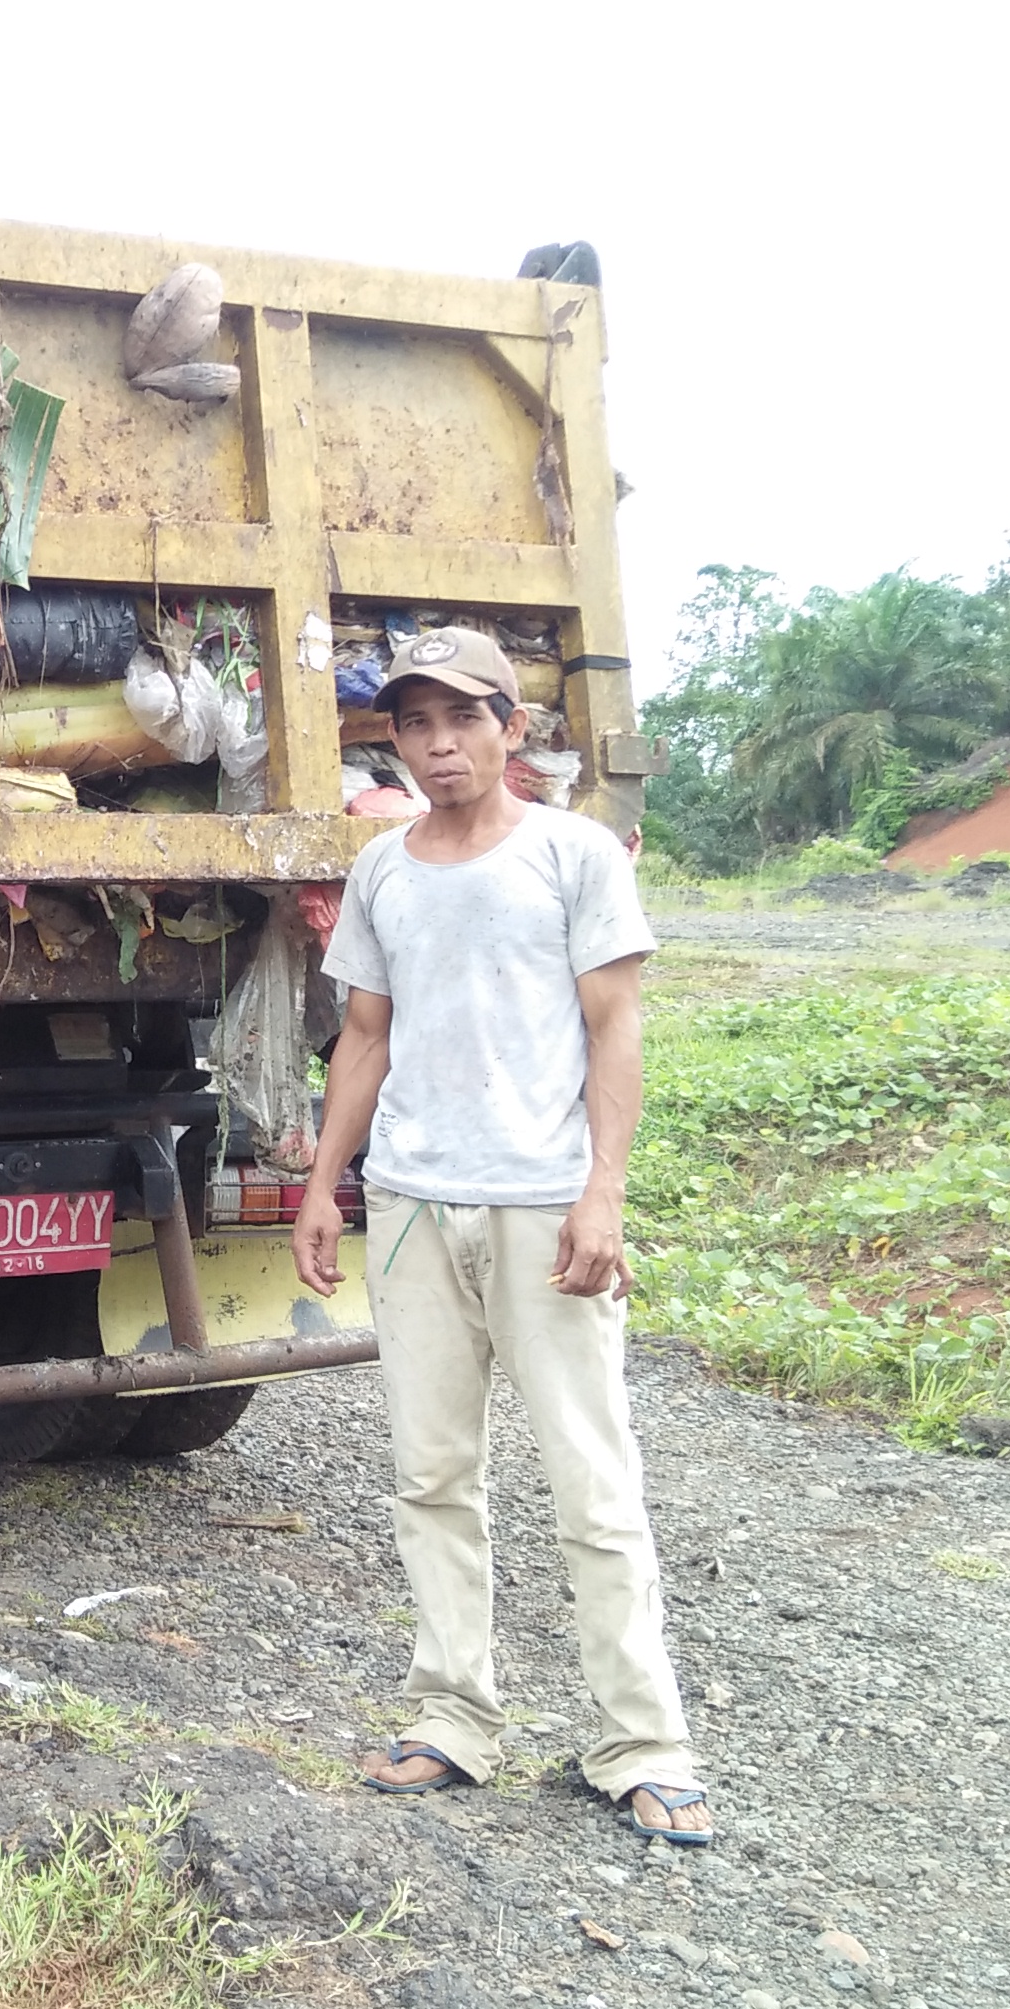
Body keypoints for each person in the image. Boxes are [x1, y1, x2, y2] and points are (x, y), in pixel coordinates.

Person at [291, 626, 713, 1846]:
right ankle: (452, 1718)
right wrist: (327, 1184)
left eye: (464, 720)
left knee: (592, 1478)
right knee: (431, 1476)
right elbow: (363, 1037)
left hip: (543, 1205)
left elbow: (614, 1030)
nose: (439, 745)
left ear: (511, 730)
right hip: (415, 1204)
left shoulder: (574, 856)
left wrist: (604, 1195)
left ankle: (643, 1742)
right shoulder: (384, 872)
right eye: (415, 724)